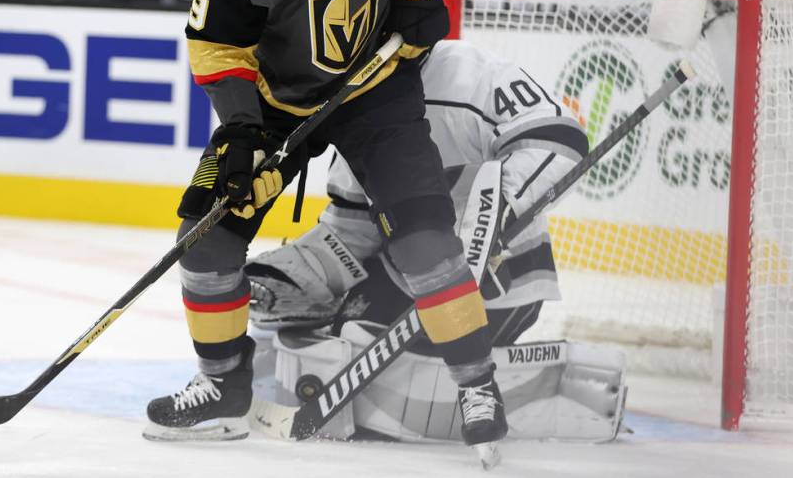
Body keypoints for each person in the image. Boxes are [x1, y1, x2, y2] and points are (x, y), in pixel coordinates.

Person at [142, 0, 507, 453]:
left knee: (426, 241)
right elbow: (215, 43)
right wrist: (238, 128)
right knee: (203, 242)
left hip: (376, 93)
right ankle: (224, 385)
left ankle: (477, 384)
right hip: (275, 107)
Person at [242, 39, 624, 443]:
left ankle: (490, 390)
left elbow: (559, 139)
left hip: (503, 279)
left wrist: (493, 217)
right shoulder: (357, 98)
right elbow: (352, 228)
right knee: (343, 332)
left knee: (363, 340)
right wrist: (302, 274)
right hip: (406, 276)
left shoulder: (470, 74)